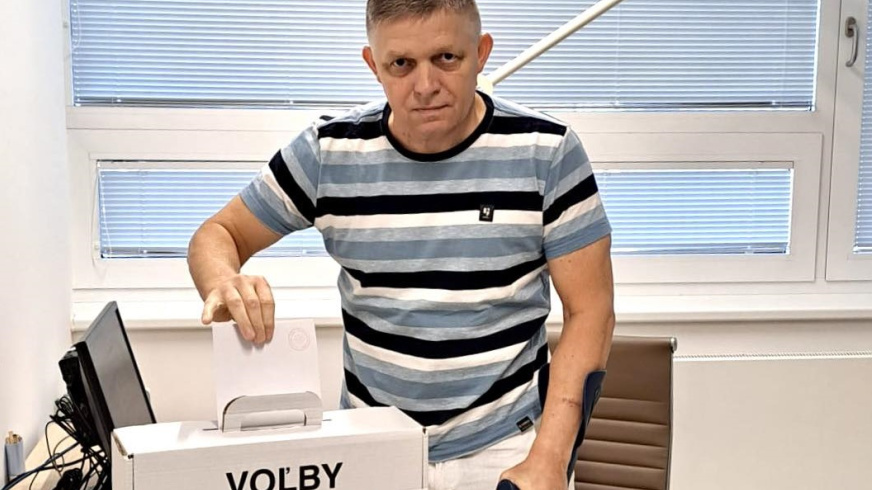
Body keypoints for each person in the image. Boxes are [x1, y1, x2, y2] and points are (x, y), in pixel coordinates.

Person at [187, 1, 615, 489]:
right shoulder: (328, 154)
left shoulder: (548, 151)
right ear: (374, 65)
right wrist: (222, 281)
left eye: (446, 58)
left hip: (505, 446)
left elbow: (591, 311)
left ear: (481, 53)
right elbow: (218, 234)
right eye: (402, 64)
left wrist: (550, 458)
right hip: (371, 442)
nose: (425, 85)